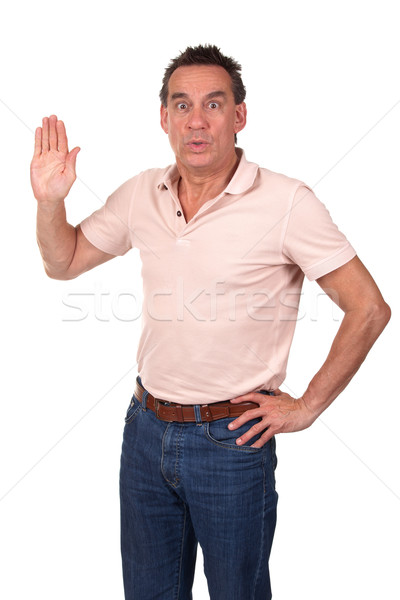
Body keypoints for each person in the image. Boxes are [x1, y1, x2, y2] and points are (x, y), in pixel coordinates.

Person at [30, 44, 390, 600]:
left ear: (239, 116)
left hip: (233, 441)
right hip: (145, 434)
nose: (196, 121)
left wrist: (308, 405)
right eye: (181, 105)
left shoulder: (288, 202)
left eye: (214, 104)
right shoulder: (140, 192)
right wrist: (50, 203)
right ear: (164, 118)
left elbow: (368, 308)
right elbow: (64, 262)